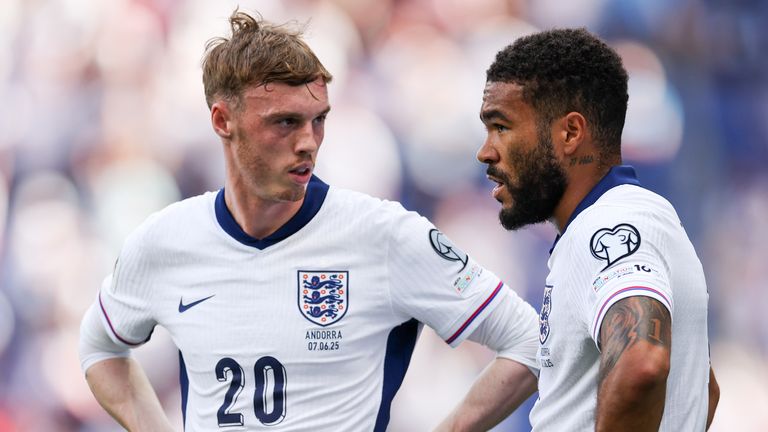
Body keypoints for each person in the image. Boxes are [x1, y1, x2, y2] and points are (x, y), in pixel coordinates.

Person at [78, 10, 540, 431]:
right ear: (223, 120)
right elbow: (100, 347)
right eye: (284, 123)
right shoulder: (165, 241)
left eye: (318, 120)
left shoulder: (383, 235)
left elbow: (528, 342)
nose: (308, 142)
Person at [475, 28, 720, 431]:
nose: (485, 151)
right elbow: (701, 387)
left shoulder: (609, 225)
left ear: (570, 133)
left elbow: (642, 362)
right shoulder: (620, 221)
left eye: (501, 126)